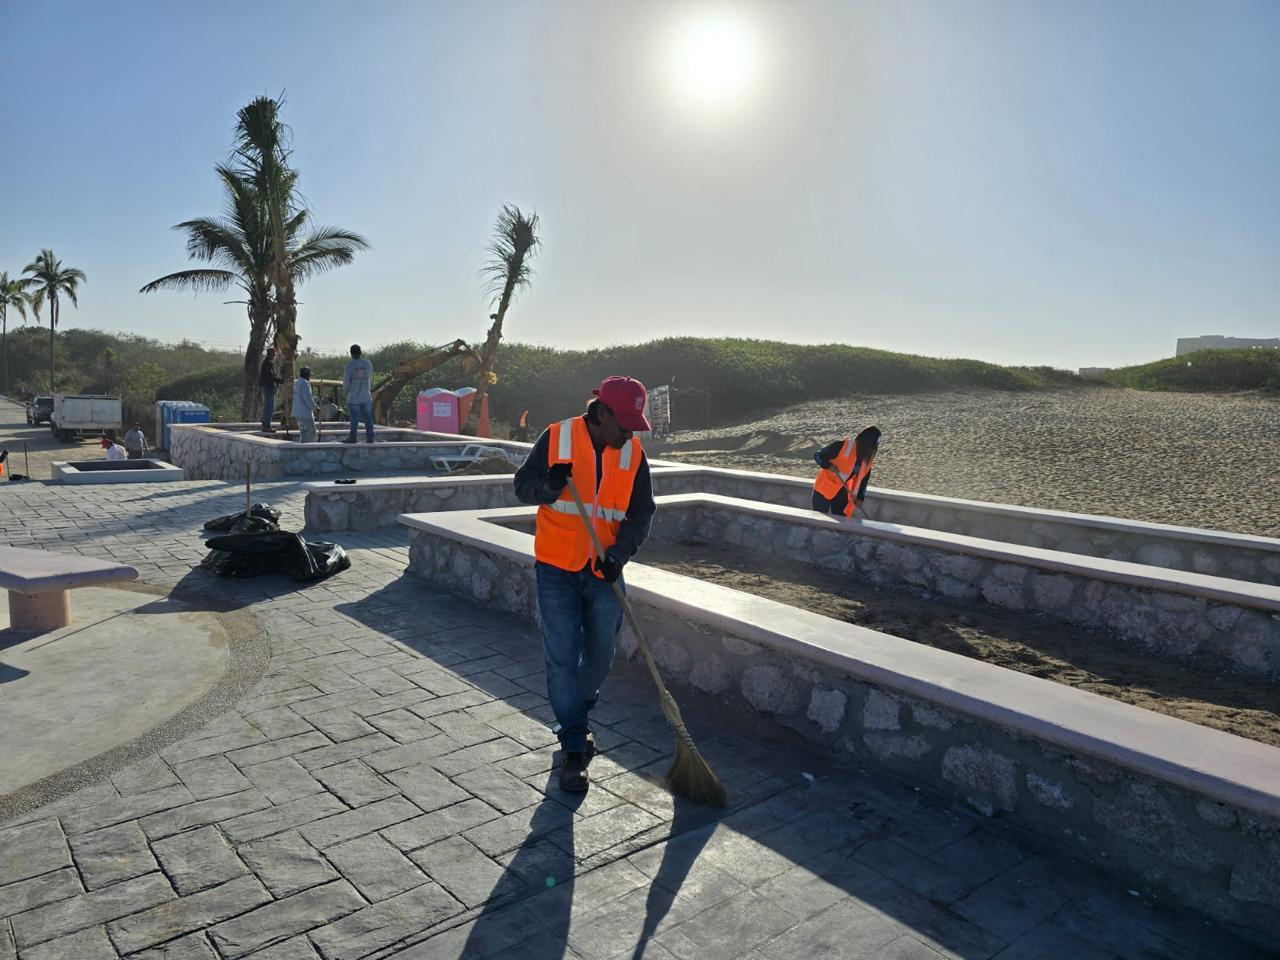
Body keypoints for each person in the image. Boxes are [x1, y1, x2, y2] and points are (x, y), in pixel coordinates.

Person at [513, 376, 656, 793]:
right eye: (624, 422)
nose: (630, 431)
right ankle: (575, 743)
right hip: (556, 568)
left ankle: (575, 714)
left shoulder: (632, 451)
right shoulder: (555, 438)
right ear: (601, 412)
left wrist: (620, 553)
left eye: (635, 424)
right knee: (561, 658)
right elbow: (522, 486)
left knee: (600, 655)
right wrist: (547, 487)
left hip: (603, 571)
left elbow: (642, 512)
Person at [812, 425, 881, 518]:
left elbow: (863, 481)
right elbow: (818, 455)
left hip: (842, 492)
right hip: (824, 488)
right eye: (874, 446)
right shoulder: (843, 446)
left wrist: (860, 498)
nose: (873, 449)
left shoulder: (867, 461)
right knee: (819, 519)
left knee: (841, 521)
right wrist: (828, 466)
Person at [343, 344, 375, 443]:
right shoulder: (368, 364)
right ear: (360, 352)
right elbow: (371, 379)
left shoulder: (350, 366)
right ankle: (370, 438)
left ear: (351, 354)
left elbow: (346, 382)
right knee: (368, 418)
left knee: (354, 419)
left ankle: (353, 438)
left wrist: (347, 391)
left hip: (354, 397)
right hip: (366, 396)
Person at [293, 366, 318, 443]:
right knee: (311, 433)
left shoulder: (297, 383)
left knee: (303, 434)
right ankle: (307, 451)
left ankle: (301, 450)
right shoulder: (305, 383)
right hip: (305, 414)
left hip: (298, 413)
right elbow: (308, 399)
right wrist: (315, 407)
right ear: (307, 375)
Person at [259, 346, 282, 432]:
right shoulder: (267, 364)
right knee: (269, 408)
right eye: (274, 354)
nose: (275, 355)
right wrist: (280, 381)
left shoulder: (267, 364)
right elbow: (270, 378)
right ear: (271, 355)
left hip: (269, 387)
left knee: (269, 407)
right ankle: (266, 426)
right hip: (268, 387)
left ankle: (266, 425)